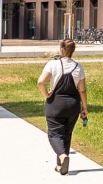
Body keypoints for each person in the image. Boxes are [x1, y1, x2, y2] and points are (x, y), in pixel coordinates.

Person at [36, 37, 88, 175]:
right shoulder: (79, 67)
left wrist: (46, 95)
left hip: (55, 105)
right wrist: (85, 108)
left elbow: (41, 82)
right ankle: (60, 165)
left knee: (54, 134)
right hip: (72, 105)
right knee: (66, 134)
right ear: (73, 51)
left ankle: (63, 156)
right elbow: (82, 89)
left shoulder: (52, 64)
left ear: (61, 49)